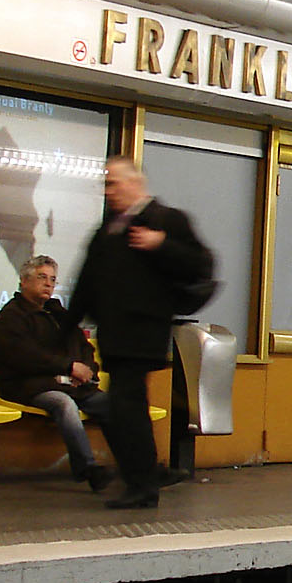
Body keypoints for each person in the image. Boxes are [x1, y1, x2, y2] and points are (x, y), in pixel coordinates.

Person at [67, 158, 214, 508]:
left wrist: (161, 244)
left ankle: (144, 485)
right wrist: (67, 323)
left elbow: (202, 264)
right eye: (106, 184)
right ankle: (144, 476)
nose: (109, 191)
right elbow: (88, 280)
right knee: (123, 409)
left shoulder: (166, 220)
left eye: (115, 183)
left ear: (136, 183)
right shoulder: (109, 228)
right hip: (115, 335)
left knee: (128, 407)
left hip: (143, 333)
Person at [0, 255, 112, 491]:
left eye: (53, 279)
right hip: (30, 386)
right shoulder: (11, 317)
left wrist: (86, 370)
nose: (48, 284)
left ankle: (139, 468)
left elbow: (84, 347)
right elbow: (25, 357)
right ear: (24, 281)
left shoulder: (58, 314)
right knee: (64, 403)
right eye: (41, 277)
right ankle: (88, 469)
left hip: (72, 383)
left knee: (114, 406)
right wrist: (68, 368)